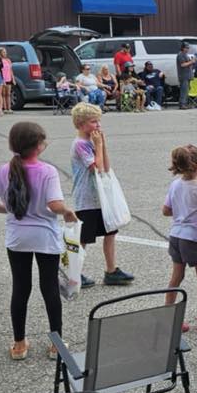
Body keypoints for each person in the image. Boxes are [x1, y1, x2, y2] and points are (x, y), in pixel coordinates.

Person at [0, 122, 77, 360]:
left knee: (21, 288)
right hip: (45, 236)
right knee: (50, 288)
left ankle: (20, 343)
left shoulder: (4, 171)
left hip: (18, 237)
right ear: (39, 146)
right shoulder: (47, 171)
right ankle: (56, 343)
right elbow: (54, 204)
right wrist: (67, 211)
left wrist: (10, 210)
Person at [69, 103, 134, 288]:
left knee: (110, 232)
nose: (98, 125)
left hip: (100, 198)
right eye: (93, 121)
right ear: (81, 124)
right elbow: (95, 168)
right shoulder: (80, 144)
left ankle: (111, 270)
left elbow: (105, 166)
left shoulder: (91, 142)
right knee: (83, 238)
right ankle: (75, 273)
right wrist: (98, 145)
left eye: (98, 121)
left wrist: (102, 145)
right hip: (87, 199)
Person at [162, 144, 197, 332]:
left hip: (176, 235)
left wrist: (181, 211)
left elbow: (166, 210)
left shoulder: (175, 185)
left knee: (177, 275)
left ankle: (169, 314)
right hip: (194, 237)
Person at [0, 47, 15, 113]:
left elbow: (11, 70)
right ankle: (4, 108)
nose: (5, 53)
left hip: (8, 78)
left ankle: (9, 108)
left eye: (5, 52)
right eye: (3, 52)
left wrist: (13, 79)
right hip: (3, 78)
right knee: (3, 94)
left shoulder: (8, 60)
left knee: (8, 94)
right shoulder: (0, 61)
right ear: (0, 53)